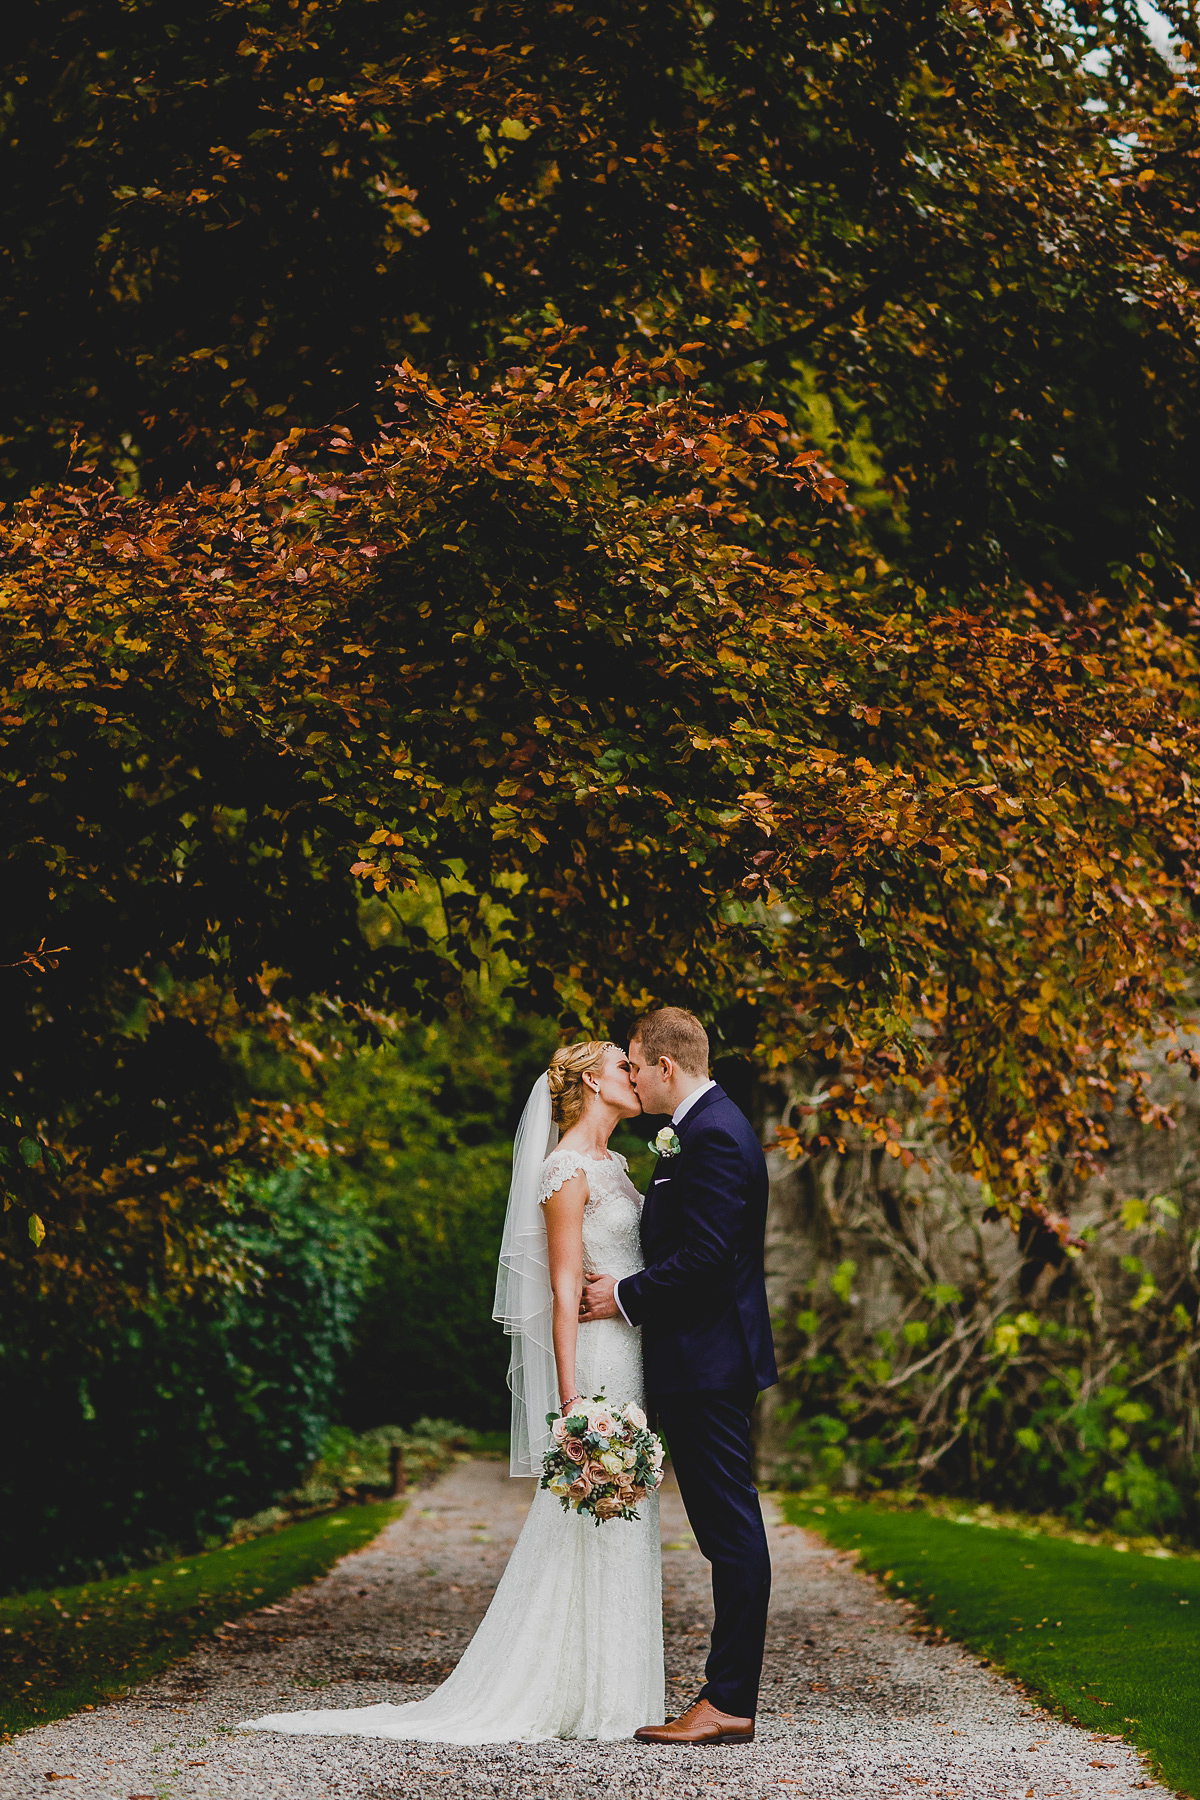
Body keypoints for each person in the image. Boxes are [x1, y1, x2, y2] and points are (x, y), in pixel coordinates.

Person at [238, 1039, 665, 1744]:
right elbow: (561, 1288)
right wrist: (571, 1404)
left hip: (629, 1349)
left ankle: (620, 1693)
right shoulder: (564, 1170)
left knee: (626, 1514)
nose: (636, 1075)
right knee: (587, 1511)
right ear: (592, 1082)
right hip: (593, 1361)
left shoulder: (619, 1165)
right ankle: (582, 1694)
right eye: (624, 1065)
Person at [579, 1005, 777, 1746]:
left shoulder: (715, 1135)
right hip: (696, 1358)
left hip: (709, 1360)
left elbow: (708, 1259)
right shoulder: (696, 1130)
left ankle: (727, 1701)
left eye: (634, 1064)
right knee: (724, 1529)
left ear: (666, 1067)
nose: (629, 1076)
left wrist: (623, 1295)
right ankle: (725, 1697)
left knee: (730, 1530)